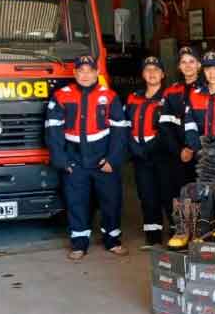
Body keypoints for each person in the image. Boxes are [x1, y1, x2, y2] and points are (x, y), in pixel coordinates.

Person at [45, 55, 129, 260]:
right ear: (75, 73)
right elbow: (52, 130)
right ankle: (79, 244)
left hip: (103, 161)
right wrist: (62, 160)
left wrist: (113, 160)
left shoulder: (109, 96)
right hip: (75, 161)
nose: (85, 75)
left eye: (89, 71)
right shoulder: (61, 95)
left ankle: (112, 241)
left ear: (96, 72)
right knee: (76, 202)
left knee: (111, 202)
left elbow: (120, 131)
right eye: (80, 71)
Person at [125, 56, 176, 249]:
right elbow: (126, 126)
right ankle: (153, 238)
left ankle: (174, 235)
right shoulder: (133, 97)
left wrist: (156, 146)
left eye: (156, 70)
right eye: (148, 70)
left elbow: (172, 128)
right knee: (147, 196)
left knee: (168, 195)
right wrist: (134, 148)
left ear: (163, 74)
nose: (152, 73)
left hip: (163, 155)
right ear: (142, 74)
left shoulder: (169, 97)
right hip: (140, 156)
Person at [162, 46, 202, 186]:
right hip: (178, 155)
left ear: (199, 65)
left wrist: (193, 148)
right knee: (182, 198)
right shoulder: (171, 91)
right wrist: (179, 150)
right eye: (183, 62)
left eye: (191, 61)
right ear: (179, 66)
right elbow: (165, 126)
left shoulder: (208, 89)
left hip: (203, 156)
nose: (188, 65)